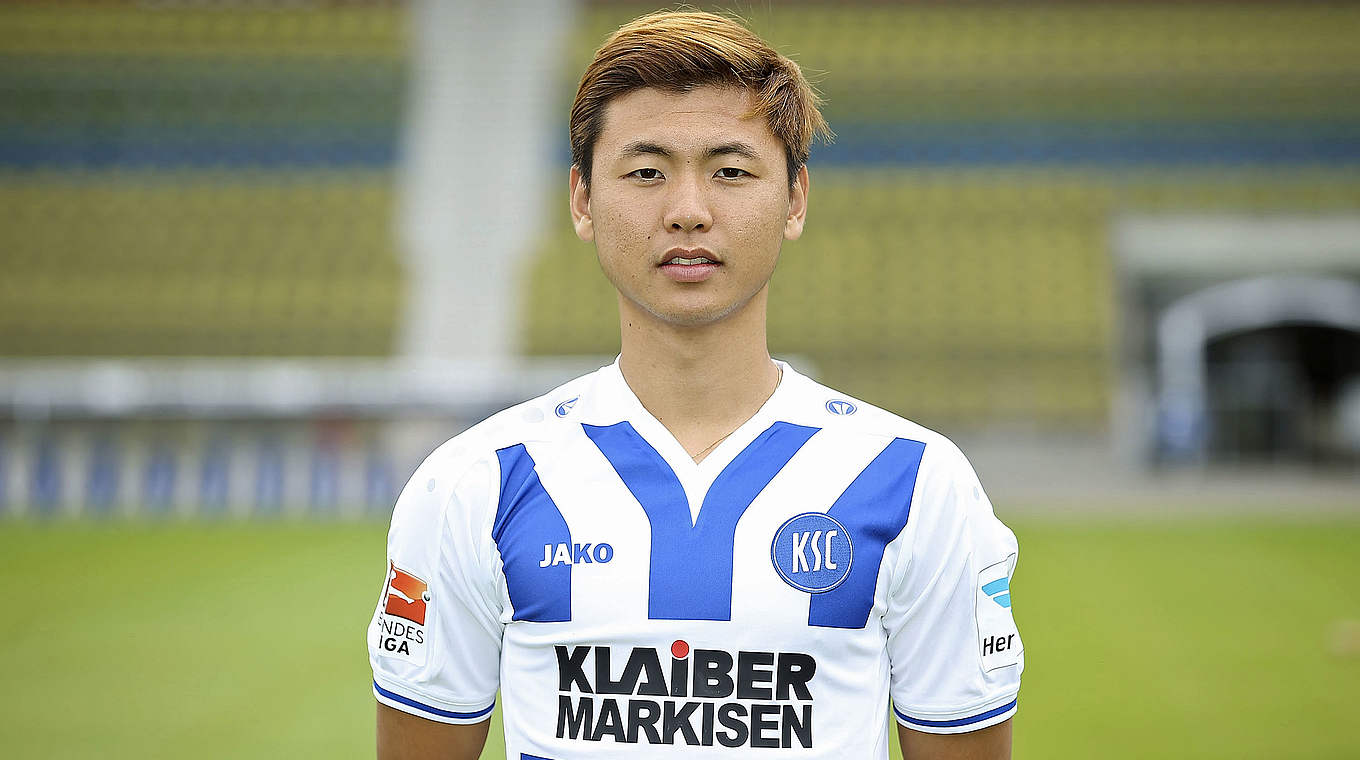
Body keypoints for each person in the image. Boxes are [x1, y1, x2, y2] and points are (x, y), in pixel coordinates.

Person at [369, 10, 1022, 759]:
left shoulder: (915, 483)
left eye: (731, 171)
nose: (687, 212)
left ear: (795, 200)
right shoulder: (475, 483)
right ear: (582, 200)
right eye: (646, 172)